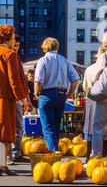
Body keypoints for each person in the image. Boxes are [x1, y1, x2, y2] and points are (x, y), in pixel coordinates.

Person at [34, 38, 80, 151]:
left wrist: (36, 93)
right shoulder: (65, 60)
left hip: (46, 94)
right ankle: (55, 152)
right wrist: (69, 94)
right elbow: (76, 79)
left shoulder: (43, 60)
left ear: (45, 47)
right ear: (57, 47)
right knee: (56, 126)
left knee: (48, 128)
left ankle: (52, 153)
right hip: (61, 95)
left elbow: (38, 80)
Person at [0, 25, 29, 175]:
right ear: (8, 37)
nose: (14, 38)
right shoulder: (9, 54)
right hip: (5, 98)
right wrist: (24, 100)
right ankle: (2, 164)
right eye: (13, 36)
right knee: (5, 133)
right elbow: (14, 81)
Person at [83, 45, 107, 159]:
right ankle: (104, 154)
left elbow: (85, 88)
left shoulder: (89, 69)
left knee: (91, 130)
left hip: (91, 99)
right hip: (106, 99)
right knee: (105, 130)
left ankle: (90, 155)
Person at [8, 35, 33, 163]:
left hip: (17, 98)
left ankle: (16, 152)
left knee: (18, 126)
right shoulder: (7, 57)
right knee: (7, 127)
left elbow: (23, 83)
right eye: (14, 45)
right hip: (8, 97)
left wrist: (26, 100)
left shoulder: (17, 60)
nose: (15, 48)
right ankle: (7, 156)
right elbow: (15, 82)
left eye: (17, 46)